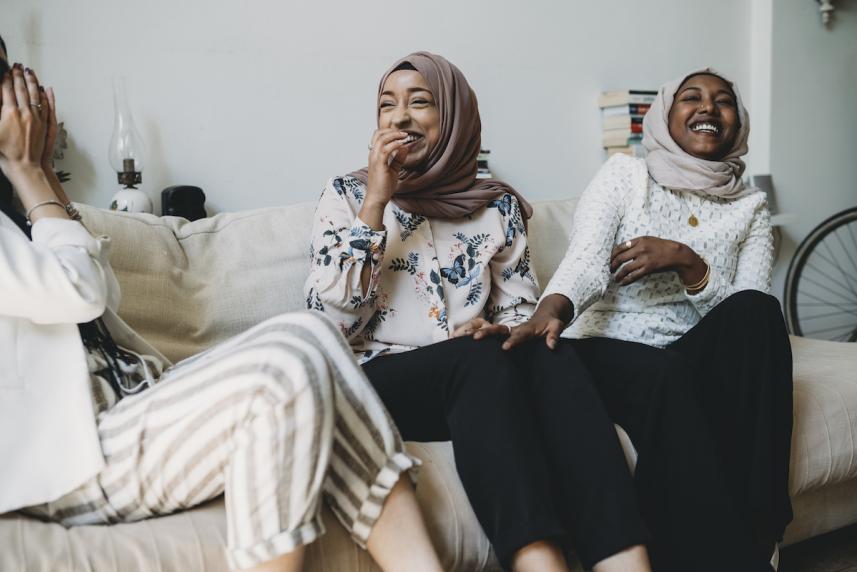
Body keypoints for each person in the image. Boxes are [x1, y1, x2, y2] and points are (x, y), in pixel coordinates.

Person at [0, 44, 443, 572]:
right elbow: (77, 291)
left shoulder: (18, 206)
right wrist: (29, 174)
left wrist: (41, 176)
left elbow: (97, 303)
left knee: (310, 334)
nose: (17, 93)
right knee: (278, 371)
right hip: (69, 459)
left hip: (128, 405)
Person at [305, 51, 651, 572]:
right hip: (372, 383)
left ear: (454, 118)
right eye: (387, 105)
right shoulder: (348, 196)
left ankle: (625, 562)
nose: (399, 117)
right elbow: (332, 324)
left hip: (474, 382)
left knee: (548, 349)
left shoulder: (496, 208)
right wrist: (376, 203)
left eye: (420, 103)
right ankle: (540, 564)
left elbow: (522, 311)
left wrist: (502, 326)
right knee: (476, 357)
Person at [500, 68, 793, 572]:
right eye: (691, 98)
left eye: (724, 101)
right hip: (605, 348)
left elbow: (743, 317)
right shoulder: (625, 175)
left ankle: (763, 529)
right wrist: (551, 309)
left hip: (687, 350)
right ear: (663, 113)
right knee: (669, 377)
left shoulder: (750, 206)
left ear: (738, 123)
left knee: (761, 312)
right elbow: (587, 260)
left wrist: (689, 263)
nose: (707, 108)